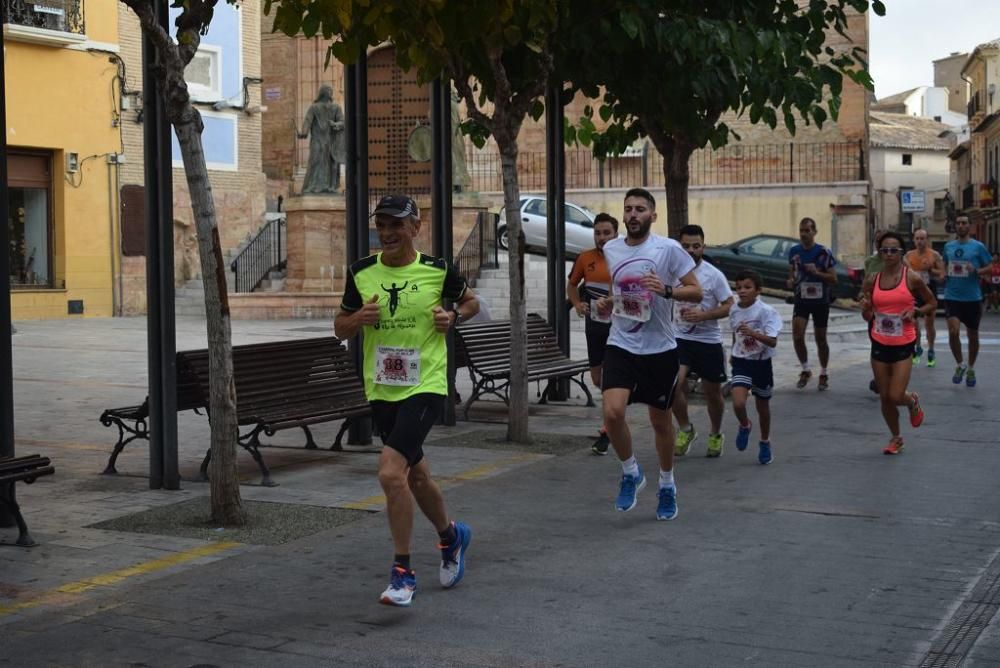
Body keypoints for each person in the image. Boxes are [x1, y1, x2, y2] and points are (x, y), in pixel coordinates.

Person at [334, 194, 479, 607]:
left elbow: (472, 303)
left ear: (416, 227)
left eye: (396, 225)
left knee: (389, 473)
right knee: (415, 477)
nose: (387, 233)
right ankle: (452, 537)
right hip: (382, 388)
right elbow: (339, 327)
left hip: (426, 385)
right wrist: (357, 319)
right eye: (381, 225)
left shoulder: (437, 270)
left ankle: (402, 573)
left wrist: (453, 317)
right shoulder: (361, 273)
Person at [594, 188, 702, 521]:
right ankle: (631, 472)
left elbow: (696, 291)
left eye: (640, 209)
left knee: (660, 421)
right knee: (612, 414)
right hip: (621, 342)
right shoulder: (611, 248)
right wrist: (608, 302)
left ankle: (667, 484)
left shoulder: (668, 249)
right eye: (628, 209)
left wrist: (666, 289)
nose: (633, 214)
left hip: (659, 348)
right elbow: (622, 290)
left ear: (653, 216)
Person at [860, 231, 935, 454]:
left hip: (904, 342)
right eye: (885, 250)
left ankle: (911, 401)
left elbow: (932, 302)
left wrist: (916, 311)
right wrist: (866, 309)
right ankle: (896, 438)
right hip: (879, 341)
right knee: (884, 397)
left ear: (901, 252)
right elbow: (867, 315)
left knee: (895, 395)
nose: (889, 254)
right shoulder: (872, 279)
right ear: (880, 253)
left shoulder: (911, 277)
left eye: (894, 250)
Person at [671, 224, 734, 458]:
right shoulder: (672, 273)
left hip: (708, 341)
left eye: (695, 246)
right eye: (685, 246)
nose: (690, 251)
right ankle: (686, 429)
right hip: (680, 338)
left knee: (713, 393)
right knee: (673, 385)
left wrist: (704, 315)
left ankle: (716, 433)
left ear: (703, 247)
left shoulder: (713, 275)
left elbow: (729, 305)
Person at [566, 213, 619, 455]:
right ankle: (616, 412)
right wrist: (577, 304)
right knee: (598, 380)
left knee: (610, 381)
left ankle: (607, 431)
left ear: (616, 234)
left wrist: (613, 300)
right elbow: (571, 285)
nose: (602, 237)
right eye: (598, 233)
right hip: (594, 327)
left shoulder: (623, 257)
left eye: (607, 233)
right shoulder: (585, 258)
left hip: (619, 328)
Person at [728, 270, 783, 465]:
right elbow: (736, 332)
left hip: (761, 363)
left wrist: (753, 333)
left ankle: (765, 441)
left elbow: (773, 341)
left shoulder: (766, 312)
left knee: (763, 406)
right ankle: (745, 425)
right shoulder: (734, 309)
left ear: (758, 290)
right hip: (742, 361)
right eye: (739, 287)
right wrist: (733, 353)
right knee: (738, 403)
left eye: (747, 287)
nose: (742, 291)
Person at [786, 217, 837, 391]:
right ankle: (806, 369)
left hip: (820, 300)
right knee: (797, 335)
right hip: (801, 299)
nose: (804, 234)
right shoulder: (794, 251)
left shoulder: (824, 252)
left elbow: (833, 278)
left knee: (820, 338)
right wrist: (791, 281)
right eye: (801, 231)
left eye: (807, 231)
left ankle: (823, 372)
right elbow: (791, 274)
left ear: (815, 232)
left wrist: (818, 273)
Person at [942, 215, 992, 387]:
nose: (961, 225)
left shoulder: (978, 247)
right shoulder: (948, 246)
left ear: (969, 227)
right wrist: (943, 274)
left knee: (973, 335)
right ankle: (960, 364)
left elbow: (991, 267)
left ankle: (970, 367)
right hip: (952, 296)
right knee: (953, 331)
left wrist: (976, 270)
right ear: (955, 226)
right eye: (958, 223)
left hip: (972, 297)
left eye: (964, 223)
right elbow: (944, 264)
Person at [903, 229, 945, 366]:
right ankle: (917, 346)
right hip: (914, 292)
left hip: (928, 290)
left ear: (927, 240)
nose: (920, 241)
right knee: (913, 321)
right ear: (914, 240)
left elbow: (942, 274)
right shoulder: (908, 256)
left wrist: (931, 270)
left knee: (929, 323)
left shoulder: (934, 255)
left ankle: (931, 349)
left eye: (922, 239)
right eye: (917, 238)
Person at [299, 85, 346, 193]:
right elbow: (307, 121)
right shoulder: (314, 107)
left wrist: (335, 124)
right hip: (318, 140)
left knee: (331, 164)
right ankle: (312, 186)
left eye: (329, 91)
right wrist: (304, 133)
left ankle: (331, 187)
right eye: (327, 91)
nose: (329, 93)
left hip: (331, 141)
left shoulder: (336, 108)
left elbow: (342, 122)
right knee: (315, 162)